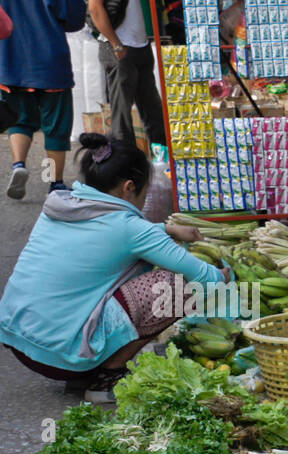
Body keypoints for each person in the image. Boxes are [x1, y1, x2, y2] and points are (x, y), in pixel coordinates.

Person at [0, 132, 224, 394]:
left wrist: (166, 229)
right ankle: (107, 376)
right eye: (145, 191)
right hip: (61, 357)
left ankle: (87, 366)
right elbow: (207, 279)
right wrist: (226, 275)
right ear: (129, 187)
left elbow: (107, 233)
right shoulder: (131, 228)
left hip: (18, 340)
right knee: (178, 286)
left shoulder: (61, 206)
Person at [1, 0, 88, 198]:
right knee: (55, 128)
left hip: (11, 62)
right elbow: (75, 20)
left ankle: (18, 165)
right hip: (50, 64)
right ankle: (54, 183)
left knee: (19, 120)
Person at [88, 0, 165, 149]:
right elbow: (94, 8)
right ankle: (125, 160)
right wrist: (116, 44)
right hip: (119, 47)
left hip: (141, 45)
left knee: (152, 109)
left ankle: (162, 156)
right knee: (122, 113)